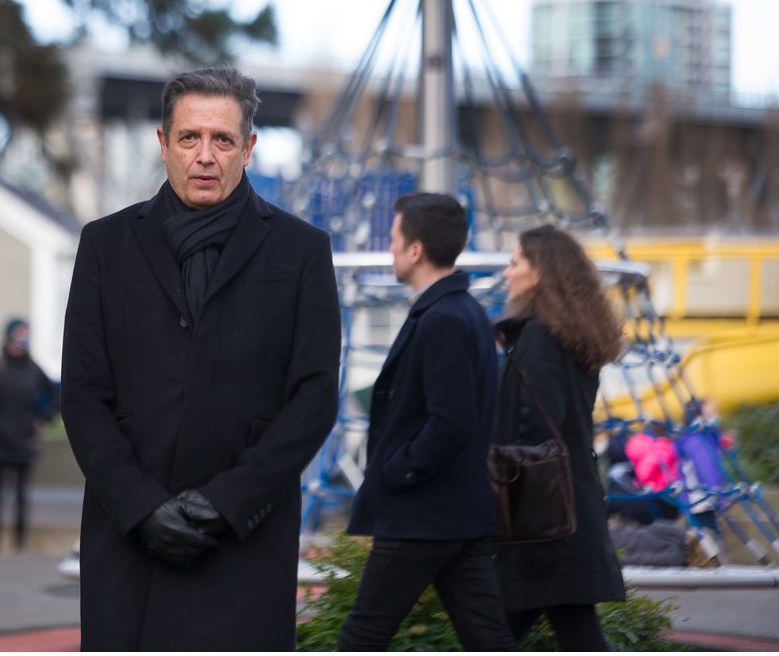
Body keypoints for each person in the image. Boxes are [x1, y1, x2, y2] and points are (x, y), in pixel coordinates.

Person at [60, 67, 341, 651]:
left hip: (244, 543)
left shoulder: (301, 250)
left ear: (249, 148)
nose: (205, 155)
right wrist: (141, 509)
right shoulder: (104, 245)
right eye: (190, 138)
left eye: (223, 140)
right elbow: (84, 395)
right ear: (164, 144)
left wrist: (227, 503)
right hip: (129, 542)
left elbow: (312, 400)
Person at [338, 193, 517, 651]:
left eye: (396, 239)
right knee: (488, 640)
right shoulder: (464, 311)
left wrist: (398, 469)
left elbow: (451, 422)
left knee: (363, 635)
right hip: (457, 514)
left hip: (423, 515)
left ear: (416, 249)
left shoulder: (443, 319)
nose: (391, 250)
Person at [494, 224, 626, 650]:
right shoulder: (571, 336)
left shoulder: (538, 336)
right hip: (565, 509)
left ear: (540, 273)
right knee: (572, 628)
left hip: (537, 517)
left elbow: (534, 427)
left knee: (492, 630)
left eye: (515, 263)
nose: (506, 273)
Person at [0, 318, 56, 552]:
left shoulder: (33, 369)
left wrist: (43, 419)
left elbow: (55, 394)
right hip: (0, 441)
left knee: (22, 496)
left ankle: (19, 546)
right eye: (18, 334)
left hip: (25, 440)